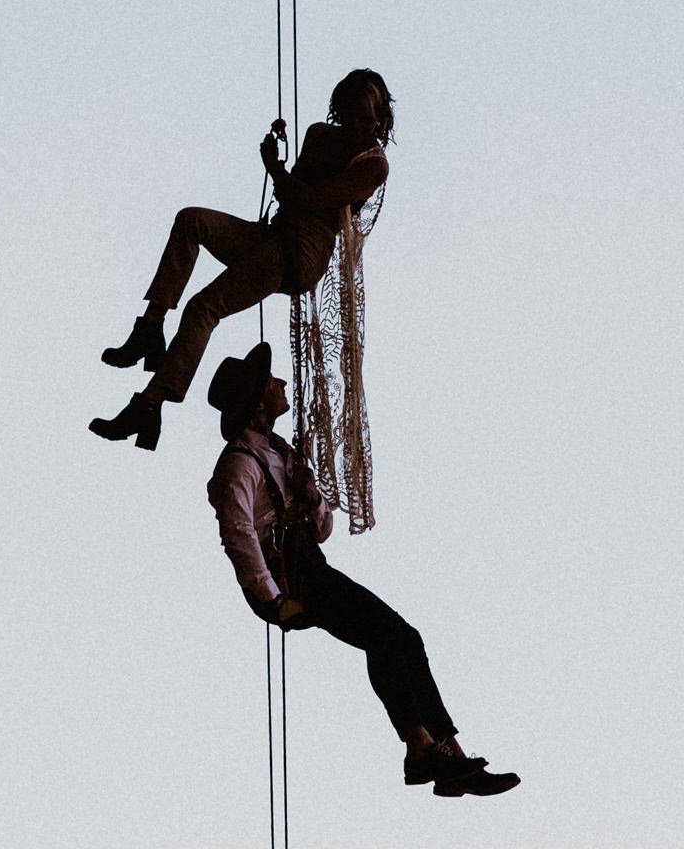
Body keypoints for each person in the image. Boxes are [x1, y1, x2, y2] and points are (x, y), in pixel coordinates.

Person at [204, 341, 519, 798]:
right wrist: (270, 598)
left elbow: (323, 528)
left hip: (310, 564)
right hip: (292, 575)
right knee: (391, 636)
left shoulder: (281, 453)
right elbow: (239, 534)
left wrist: (312, 498)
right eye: (271, 382)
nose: (282, 383)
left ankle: (437, 748)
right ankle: (428, 748)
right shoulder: (239, 463)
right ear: (256, 401)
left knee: (397, 638)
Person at [91, 68, 393, 455]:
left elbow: (310, 199)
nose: (355, 126)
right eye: (350, 116)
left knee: (205, 307)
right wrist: (280, 171)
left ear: (379, 119)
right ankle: (150, 327)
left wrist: (274, 166)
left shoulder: (373, 164)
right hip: (272, 235)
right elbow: (292, 194)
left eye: (364, 119)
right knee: (192, 221)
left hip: (299, 255)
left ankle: (150, 404)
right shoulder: (319, 135)